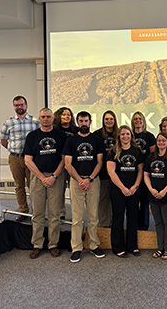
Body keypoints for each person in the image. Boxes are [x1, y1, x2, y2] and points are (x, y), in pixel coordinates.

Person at [23, 108, 67, 259]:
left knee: (55, 213)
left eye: (48, 117)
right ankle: (37, 244)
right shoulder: (32, 136)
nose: (46, 119)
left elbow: (64, 159)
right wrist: (42, 177)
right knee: (38, 213)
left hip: (56, 177)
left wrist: (54, 176)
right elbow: (28, 160)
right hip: (37, 178)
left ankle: (53, 244)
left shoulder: (61, 136)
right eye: (43, 117)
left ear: (53, 118)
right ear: (39, 119)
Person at [63, 111, 106, 263]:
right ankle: (76, 248)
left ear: (90, 122)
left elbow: (100, 162)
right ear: (78, 122)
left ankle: (93, 245)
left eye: (86, 121)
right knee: (77, 217)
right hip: (76, 181)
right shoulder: (71, 141)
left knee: (93, 216)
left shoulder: (96, 140)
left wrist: (90, 179)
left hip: (93, 180)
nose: (83, 123)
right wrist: (81, 180)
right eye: (81, 121)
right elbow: (68, 164)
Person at [0, 95, 40, 221]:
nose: (19, 107)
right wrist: (14, 151)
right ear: (14, 107)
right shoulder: (8, 123)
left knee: (33, 185)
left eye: (21, 104)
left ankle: (36, 211)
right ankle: (23, 210)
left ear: (26, 106)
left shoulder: (35, 122)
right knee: (19, 185)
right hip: (15, 158)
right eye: (17, 105)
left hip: (31, 159)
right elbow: (3, 141)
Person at [107, 125, 143, 258]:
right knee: (118, 218)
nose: (125, 136)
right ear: (118, 137)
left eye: (127, 134)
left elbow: (140, 170)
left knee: (133, 218)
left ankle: (132, 246)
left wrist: (135, 186)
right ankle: (118, 247)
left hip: (134, 190)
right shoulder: (113, 151)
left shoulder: (137, 151)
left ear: (131, 136)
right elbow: (111, 172)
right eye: (122, 134)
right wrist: (123, 188)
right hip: (118, 190)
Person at [144, 132, 167, 259]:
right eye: (159, 141)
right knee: (158, 223)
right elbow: (146, 175)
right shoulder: (150, 157)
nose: (161, 143)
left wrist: (164, 191)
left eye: (163, 140)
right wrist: (150, 189)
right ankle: (160, 247)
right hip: (153, 195)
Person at [131, 111, 155, 230]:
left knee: (145, 202)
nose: (138, 121)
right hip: (131, 173)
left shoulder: (149, 136)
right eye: (135, 119)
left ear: (144, 121)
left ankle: (144, 226)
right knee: (133, 202)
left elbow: (152, 155)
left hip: (145, 173)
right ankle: (133, 225)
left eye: (140, 119)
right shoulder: (129, 136)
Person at [93, 110, 118, 227]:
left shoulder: (120, 134)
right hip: (102, 173)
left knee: (115, 200)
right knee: (103, 199)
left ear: (115, 120)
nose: (109, 121)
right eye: (106, 119)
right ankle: (104, 224)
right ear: (103, 121)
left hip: (118, 173)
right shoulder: (97, 135)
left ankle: (114, 223)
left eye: (111, 119)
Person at [53, 107, 78, 220]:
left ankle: (76, 213)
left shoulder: (76, 130)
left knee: (74, 191)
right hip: (59, 164)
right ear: (59, 116)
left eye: (68, 115)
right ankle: (61, 212)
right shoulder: (54, 130)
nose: (67, 117)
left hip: (73, 165)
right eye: (64, 115)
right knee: (59, 190)